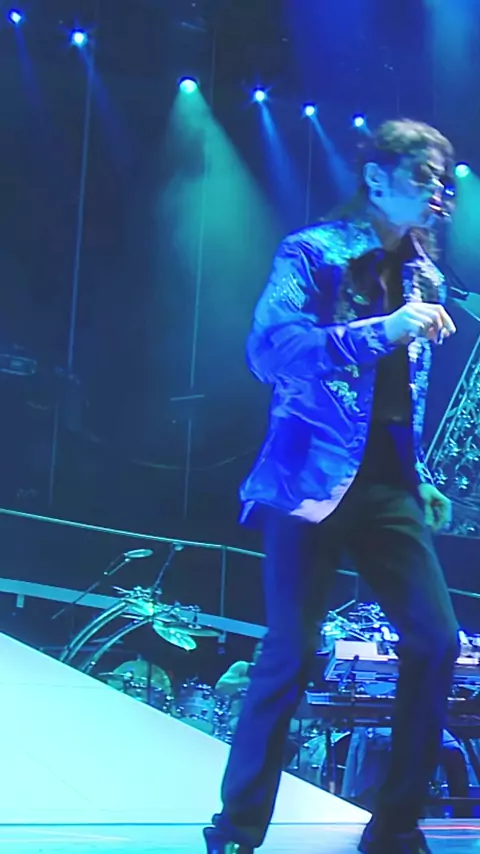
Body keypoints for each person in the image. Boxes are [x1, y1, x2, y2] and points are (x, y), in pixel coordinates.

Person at [203, 118, 460, 854]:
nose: (438, 192)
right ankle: (237, 827)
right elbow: (270, 350)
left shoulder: (427, 278)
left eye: (444, 181)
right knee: (291, 651)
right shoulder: (313, 252)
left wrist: (419, 474)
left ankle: (396, 825)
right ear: (377, 178)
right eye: (423, 176)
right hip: (307, 481)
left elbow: (400, 395)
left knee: (436, 642)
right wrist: (384, 330)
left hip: (388, 489)